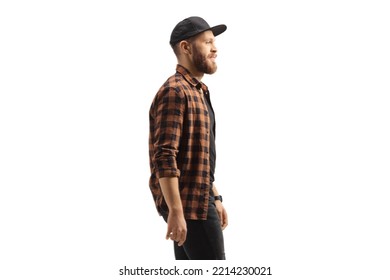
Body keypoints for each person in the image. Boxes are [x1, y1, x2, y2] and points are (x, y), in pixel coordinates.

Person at [148, 16, 228, 260]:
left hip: (198, 201)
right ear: (185, 48)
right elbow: (165, 156)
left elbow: (196, 157)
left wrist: (215, 196)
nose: (215, 49)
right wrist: (175, 210)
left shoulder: (197, 91)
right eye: (207, 42)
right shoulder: (175, 91)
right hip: (190, 207)